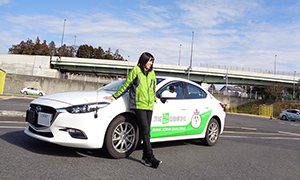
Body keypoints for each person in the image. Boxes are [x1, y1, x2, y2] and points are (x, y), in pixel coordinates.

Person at [104, 52, 162, 168]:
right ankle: (151, 157)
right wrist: (115, 96)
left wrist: (154, 96)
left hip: (149, 105)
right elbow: (126, 85)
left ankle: (145, 157)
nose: (150, 63)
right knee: (145, 130)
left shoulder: (152, 73)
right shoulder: (136, 70)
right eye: (149, 60)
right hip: (139, 104)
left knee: (146, 132)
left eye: (152, 61)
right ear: (143, 60)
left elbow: (153, 87)